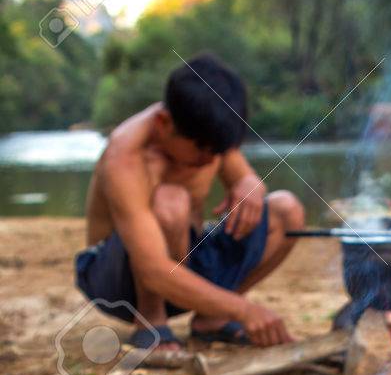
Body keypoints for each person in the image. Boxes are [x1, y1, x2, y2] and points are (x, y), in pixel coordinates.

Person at [75, 53, 303, 356]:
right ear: (163, 123)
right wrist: (245, 311)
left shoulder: (206, 127)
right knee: (171, 201)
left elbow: (247, 178)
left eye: (218, 151)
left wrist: (250, 185)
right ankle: (150, 320)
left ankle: (212, 318)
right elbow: (153, 269)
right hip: (116, 280)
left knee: (287, 210)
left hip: (187, 261)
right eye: (203, 151)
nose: (211, 160)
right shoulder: (125, 156)